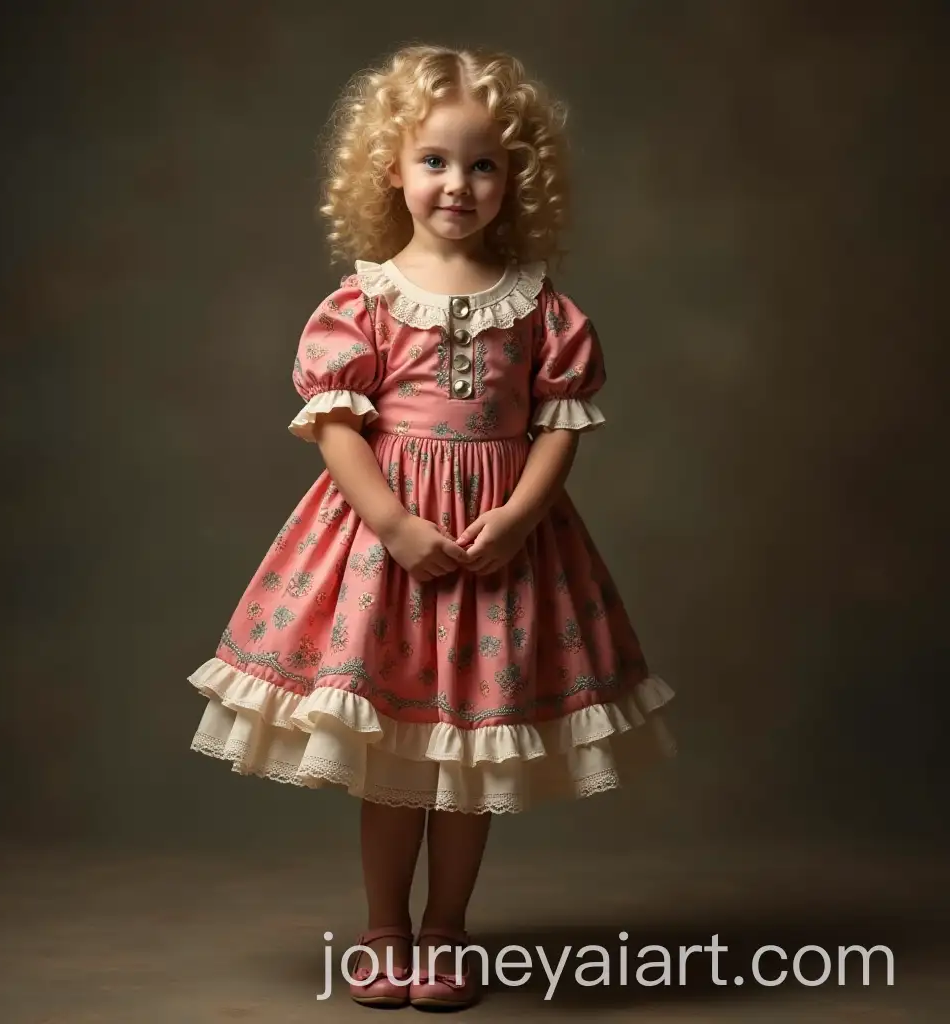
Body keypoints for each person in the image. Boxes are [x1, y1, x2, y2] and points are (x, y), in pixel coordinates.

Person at [187, 43, 677, 1010]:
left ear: (516, 177)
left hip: (504, 549)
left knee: (468, 757)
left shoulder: (542, 309)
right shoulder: (364, 301)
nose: (460, 183)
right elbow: (336, 424)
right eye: (437, 161)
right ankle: (384, 928)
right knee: (398, 755)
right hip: (388, 552)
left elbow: (556, 426)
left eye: (484, 163)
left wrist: (521, 516)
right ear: (393, 169)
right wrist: (395, 523)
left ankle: (448, 930)